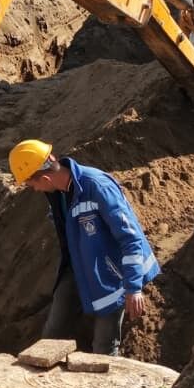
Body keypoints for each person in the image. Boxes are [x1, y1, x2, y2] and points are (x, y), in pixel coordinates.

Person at [10, 139, 159, 357]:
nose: (34, 190)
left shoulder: (97, 186)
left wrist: (133, 287)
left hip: (114, 274)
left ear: (45, 177)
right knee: (52, 335)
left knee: (104, 347)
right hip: (80, 267)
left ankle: (105, 387)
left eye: (32, 185)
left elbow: (131, 238)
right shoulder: (57, 193)